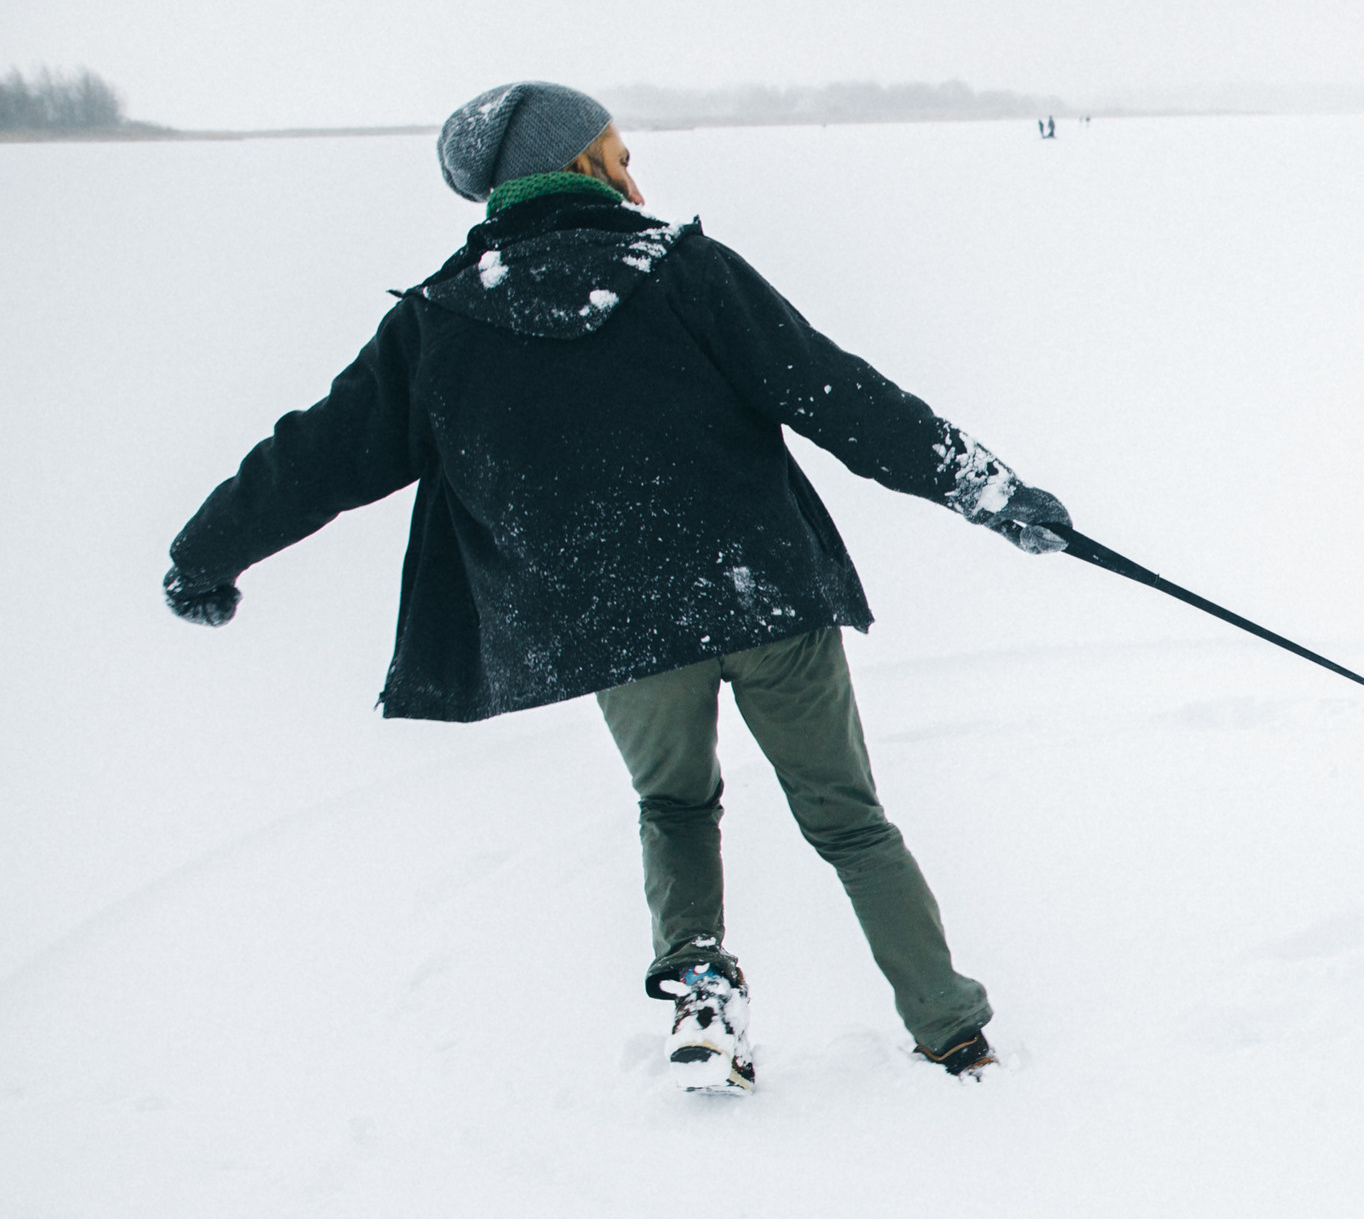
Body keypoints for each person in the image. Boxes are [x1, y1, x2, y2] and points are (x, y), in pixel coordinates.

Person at [163, 80, 1075, 1090]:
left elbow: (316, 456)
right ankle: (953, 1033)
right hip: (765, 598)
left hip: (621, 630)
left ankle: (703, 999)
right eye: (620, 155)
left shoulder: (439, 324)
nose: (635, 178)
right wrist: (991, 492)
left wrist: (207, 552)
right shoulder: (682, 272)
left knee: (675, 807)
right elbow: (842, 395)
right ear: (579, 164)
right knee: (850, 821)